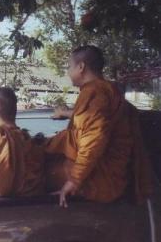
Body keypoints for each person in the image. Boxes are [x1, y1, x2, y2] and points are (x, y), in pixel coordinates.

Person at [45, 45, 152, 207]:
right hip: (115, 179)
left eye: (69, 66)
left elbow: (93, 137)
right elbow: (94, 120)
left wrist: (74, 180)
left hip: (98, 182)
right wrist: (67, 113)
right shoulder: (110, 91)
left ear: (81, 67)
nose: (67, 72)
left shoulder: (94, 92)